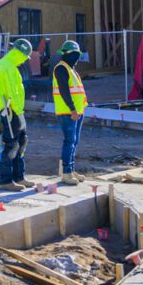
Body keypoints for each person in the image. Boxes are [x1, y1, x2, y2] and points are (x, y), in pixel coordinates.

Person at [0, 38, 32, 191]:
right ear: (19, 53)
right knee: (12, 145)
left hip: (14, 111)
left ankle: (19, 177)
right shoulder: (7, 66)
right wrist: (20, 113)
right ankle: (5, 180)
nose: (24, 61)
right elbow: (12, 93)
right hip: (10, 112)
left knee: (21, 143)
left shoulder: (10, 66)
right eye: (24, 57)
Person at [51, 40, 88, 184]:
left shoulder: (71, 69)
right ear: (67, 54)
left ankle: (71, 170)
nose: (77, 57)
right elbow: (64, 90)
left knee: (74, 142)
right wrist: (73, 109)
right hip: (68, 112)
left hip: (76, 112)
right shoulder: (61, 69)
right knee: (69, 141)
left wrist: (80, 109)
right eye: (75, 54)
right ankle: (66, 173)